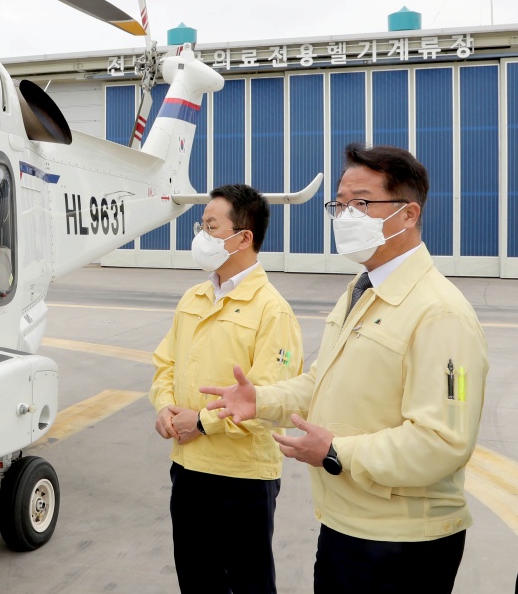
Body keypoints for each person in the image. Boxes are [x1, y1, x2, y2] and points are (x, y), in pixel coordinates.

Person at [201, 143, 488, 594]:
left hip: (401, 544)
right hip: (345, 527)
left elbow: (442, 442)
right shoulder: (361, 289)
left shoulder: (439, 313)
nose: (345, 215)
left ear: (408, 214)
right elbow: (322, 380)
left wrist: (337, 452)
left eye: (362, 203)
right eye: (340, 204)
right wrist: (262, 399)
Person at [150, 183, 303, 594]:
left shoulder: (273, 312)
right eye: (202, 226)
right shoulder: (193, 298)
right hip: (188, 469)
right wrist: (165, 407)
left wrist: (201, 422)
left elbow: (274, 401)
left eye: (211, 227)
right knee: (197, 579)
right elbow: (166, 363)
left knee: (247, 583)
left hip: (242, 478)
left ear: (243, 237)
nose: (202, 236)